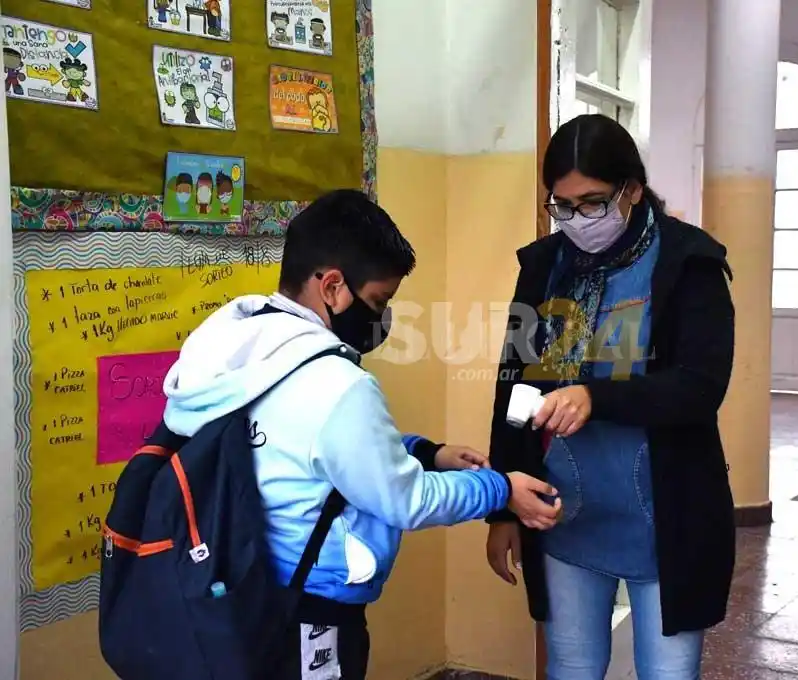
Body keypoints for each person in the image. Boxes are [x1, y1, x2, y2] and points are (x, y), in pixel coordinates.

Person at [161, 189, 560, 680]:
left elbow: (307, 448)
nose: (381, 317)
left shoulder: (234, 348)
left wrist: (426, 453)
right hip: (312, 611)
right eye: (378, 301)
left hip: (238, 587)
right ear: (332, 286)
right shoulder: (336, 384)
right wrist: (501, 489)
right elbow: (405, 500)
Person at [484, 114, 736, 680]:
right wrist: (502, 504)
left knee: (667, 672)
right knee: (571, 667)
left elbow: (700, 386)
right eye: (562, 205)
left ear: (633, 190)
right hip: (565, 511)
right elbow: (515, 384)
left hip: (663, 514)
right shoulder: (544, 267)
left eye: (593, 202)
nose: (577, 220)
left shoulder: (688, 263)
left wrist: (598, 397)